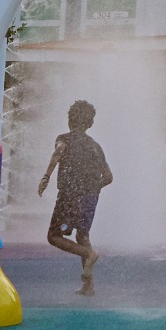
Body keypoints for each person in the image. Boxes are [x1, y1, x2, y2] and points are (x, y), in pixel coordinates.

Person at [37, 99, 112, 294]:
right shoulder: (95, 146)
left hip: (70, 194)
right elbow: (108, 177)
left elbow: (58, 152)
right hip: (90, 197)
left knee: (54, 236)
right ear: (90, 123)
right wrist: (91, 188)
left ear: (70, 119)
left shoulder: (64, 139)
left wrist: (46, 177)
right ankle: (88, 285)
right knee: (82, 235)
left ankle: (89, 254)